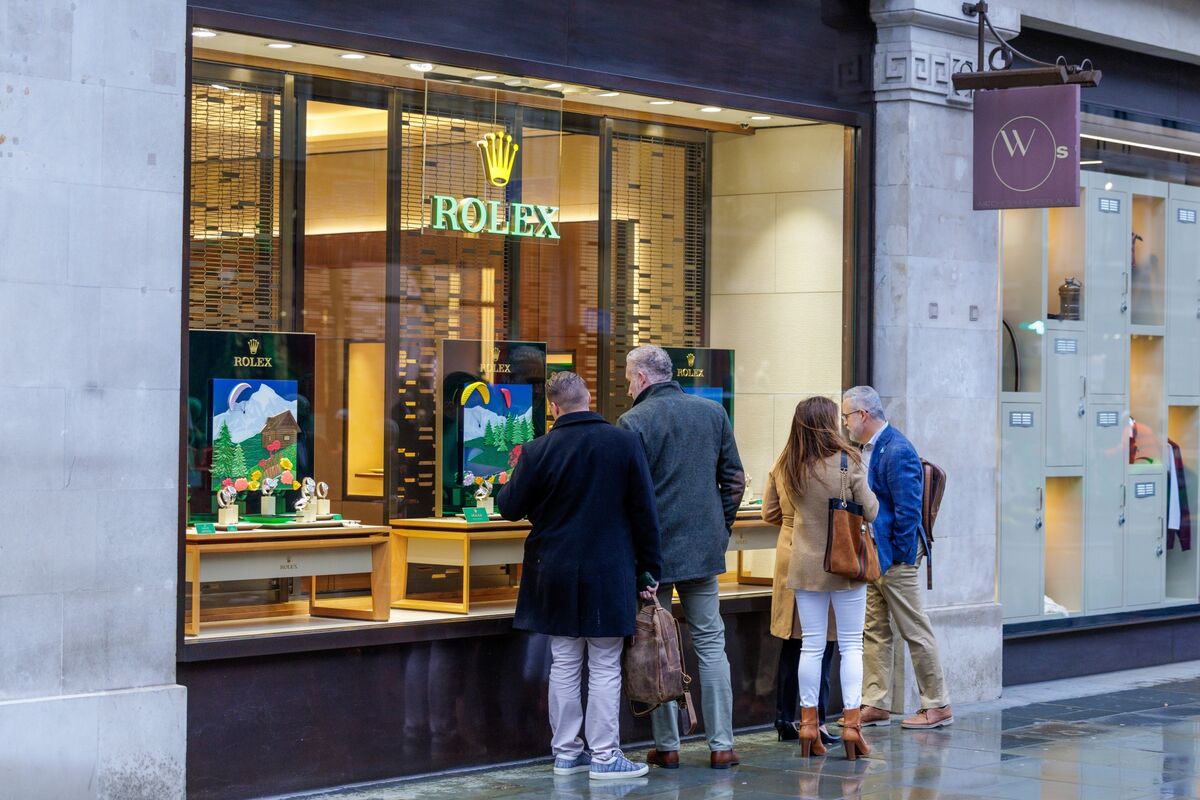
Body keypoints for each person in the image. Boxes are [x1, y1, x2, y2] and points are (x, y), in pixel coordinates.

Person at [496, 371, 663, 779]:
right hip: (609, 569)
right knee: (605, 663)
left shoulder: (537, 450)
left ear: (553, 408)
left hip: (552, 568)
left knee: (565, 661)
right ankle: (605, 756)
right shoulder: (624, 443)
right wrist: (649, 570)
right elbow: (644, 512)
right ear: (589, 399)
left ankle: (566, 753)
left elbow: (508, 507)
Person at [617, 344, 745, 769]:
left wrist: (638, 555)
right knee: (711, 644)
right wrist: (719, 529)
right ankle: (722, 745)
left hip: (653, 557)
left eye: (628, 379)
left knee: (656, 645)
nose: (627, 387)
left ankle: (668, 746)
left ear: (641, 378)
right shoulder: (713, 413)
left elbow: (629, 497)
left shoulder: (634, 421)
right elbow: (734, 480)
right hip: (703, 552)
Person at [763, 396, 879, 758]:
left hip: (803, 566)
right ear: (829, 423)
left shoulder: (787, 465)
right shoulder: (848, 461)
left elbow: (773, 512)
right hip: (843, 565)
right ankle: (851, 726)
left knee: (810, 646)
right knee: (851, 646)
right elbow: (871, 510)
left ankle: (808, 725)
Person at [841, 385, 953, 729]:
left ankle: (937, 705)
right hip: (874, 554)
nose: (844, 423)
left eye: (846, 416)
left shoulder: (897, 449)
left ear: (863, 415)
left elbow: (908, 511)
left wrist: (899, 557)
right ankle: (876, 703)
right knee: (875, 629)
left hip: (893, 557)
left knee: (914, 629)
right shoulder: (869, 448)